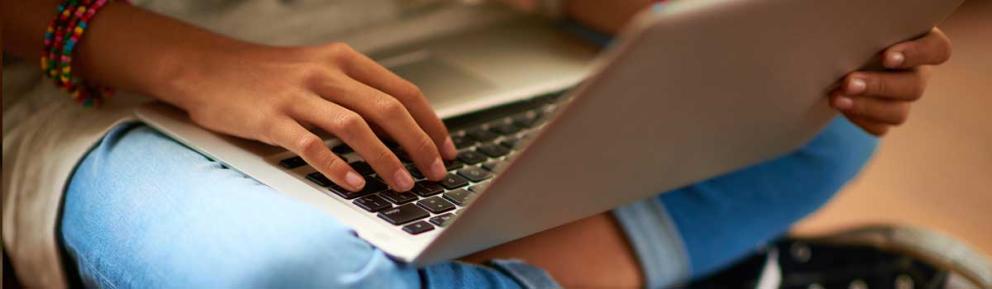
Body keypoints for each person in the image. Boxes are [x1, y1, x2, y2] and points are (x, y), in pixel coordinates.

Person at [1, 0, 952, 288]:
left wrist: (754, 32)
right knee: (276, 268)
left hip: (462, 28)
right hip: (113, 80)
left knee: (814, 129)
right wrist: (190, 63)